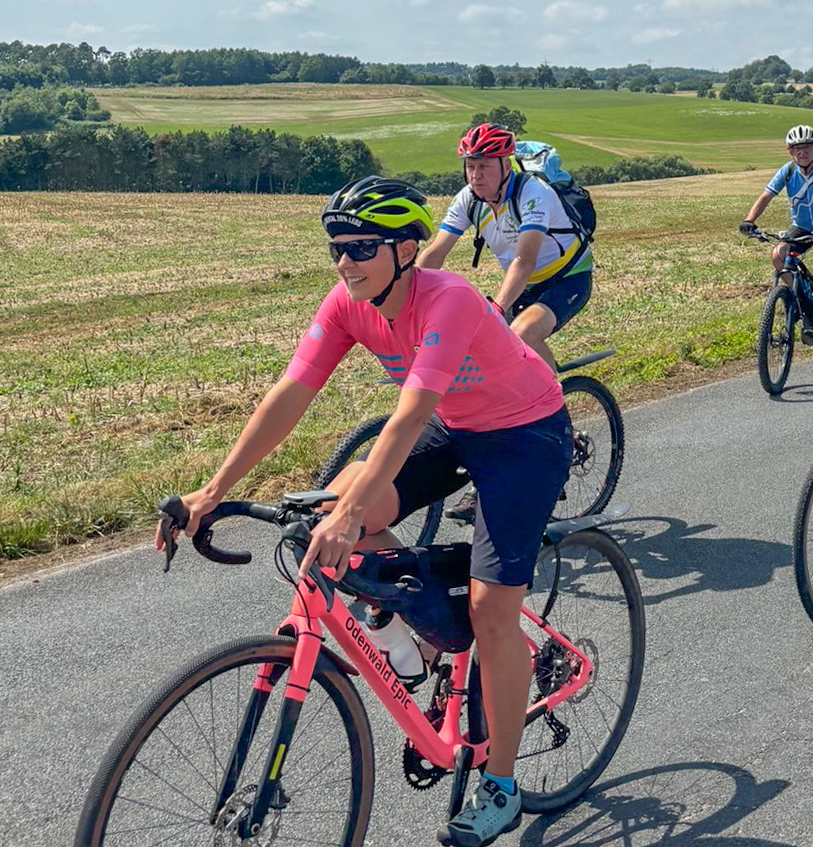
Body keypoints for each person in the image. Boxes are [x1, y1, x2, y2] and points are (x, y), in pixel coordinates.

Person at [162, 176, 574, 847]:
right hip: (457, 425)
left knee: (491, 608)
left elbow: (408, 414)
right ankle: (414, 642)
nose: (345, 262)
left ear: (408, 249)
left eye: (361, 247)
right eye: (336, 249)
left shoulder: (451, 299)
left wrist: (353, 513)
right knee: (330, 510)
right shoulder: (348, 303)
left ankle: (499, 785)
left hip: (526, 434)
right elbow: (292, 391)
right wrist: (211, 490)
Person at [418, 123, 594, 371]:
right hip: (526, 287)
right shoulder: (468, 199)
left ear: (505, 165)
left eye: (484, 166)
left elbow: (524, 260)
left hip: (568, 278)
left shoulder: (533, 192)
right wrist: (407, 294)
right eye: (470, 166)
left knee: (523, 333)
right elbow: (435, 253)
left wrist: (497, 309)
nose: (476, 175)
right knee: (478, 346)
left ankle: (553, 404)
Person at [740, 124, 813, 296]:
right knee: (778, 256)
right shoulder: (788, 171)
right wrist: (749, 220)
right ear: (790, 152)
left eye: (806, 147)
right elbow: (765, 197)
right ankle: (801, 298)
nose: (802, 152)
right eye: (797, 148)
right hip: (801, 228)